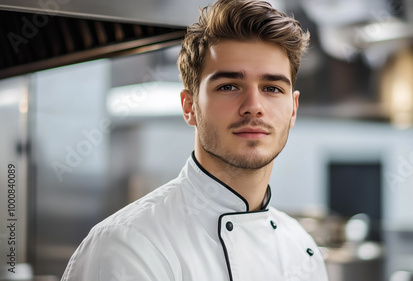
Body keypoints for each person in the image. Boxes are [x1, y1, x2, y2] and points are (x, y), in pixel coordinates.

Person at [61, 0, 329, 280]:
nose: (253, 105)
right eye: (228, 86)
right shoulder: (129, 246)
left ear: (293, 109)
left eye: (272, 88)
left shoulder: (302, 249)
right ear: (189, 106)